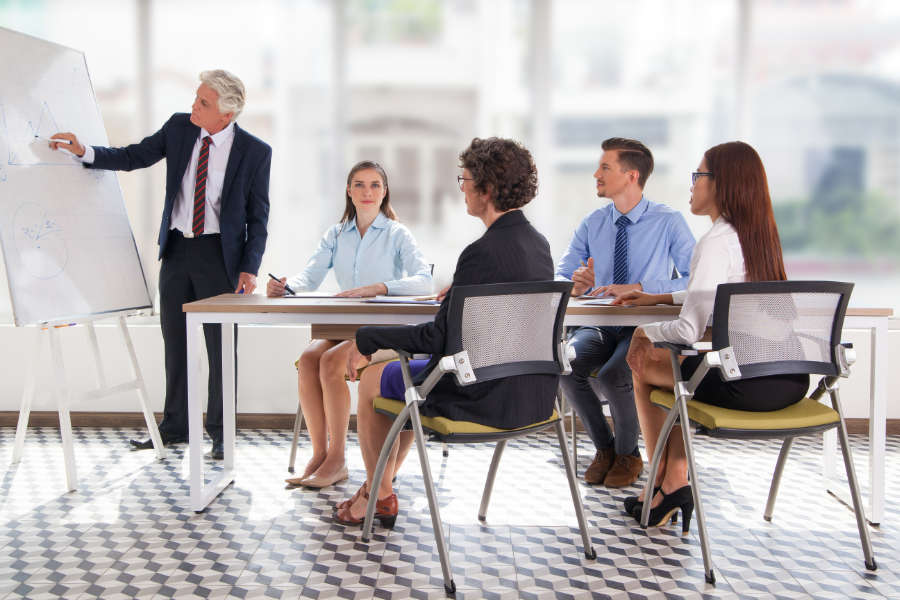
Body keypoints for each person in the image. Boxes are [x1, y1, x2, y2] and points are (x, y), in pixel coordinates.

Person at [332, 137, 555, 526]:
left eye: (465, 180)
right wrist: (460, 294)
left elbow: (437, 340)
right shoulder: (538, 245)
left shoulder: (480, 253)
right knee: (403, 380)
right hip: (532, 394)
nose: (462, 188)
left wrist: (366, 338)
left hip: (480, 396)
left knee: (373, 380)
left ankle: (378, 494)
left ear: (486, 188)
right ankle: (376, 489)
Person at [51, 70, 271, 459]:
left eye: (203, 102)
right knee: (176, 343)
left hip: (221, 258)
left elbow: (258, 217)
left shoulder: (255, 152)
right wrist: (84, 151)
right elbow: (134, 155)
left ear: (227, 114)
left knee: (221, 348)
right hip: (176, 251)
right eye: (196, 98)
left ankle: (222, 434)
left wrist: (249, 268)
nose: (193, 106)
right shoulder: (179, 128)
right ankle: (175, 427)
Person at [615, 141, 809, 529]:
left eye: (698, 175)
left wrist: (642, 330)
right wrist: (662, 297)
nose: (692, 185)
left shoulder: (716, 242)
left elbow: (688, 330)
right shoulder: (757, 235)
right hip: (790, 379)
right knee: (675, 370)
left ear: (722, 183)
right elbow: (719, 292)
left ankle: (663, 481)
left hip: (744, 385)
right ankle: (672, 482)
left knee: (643, 362)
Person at [268, 160, 432, 489]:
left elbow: (424, 281)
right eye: (359, 184)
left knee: (330, 361)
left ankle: (338, 458)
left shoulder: (397, 234)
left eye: (374, 185)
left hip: (381, 331)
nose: (367, 191)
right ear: (349, 191)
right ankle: (320, 455)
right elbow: (310, 276)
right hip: (343, 326)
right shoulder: (336, 234)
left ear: (384, 192)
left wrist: (380, 287)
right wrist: (285, 287)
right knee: (309, 359)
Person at [555, 138, 694, 488]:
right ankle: (606, 449)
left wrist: (642, 286)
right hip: (599, 325)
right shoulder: (593, 223)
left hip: (643, 327)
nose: (596, 174)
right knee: (565, 365)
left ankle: (629, 453)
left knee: (617, 371)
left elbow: (694, 278)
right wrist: (575, 283)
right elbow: (561, 276)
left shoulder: (669, 221)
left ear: (631, 175)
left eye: (605, 167)